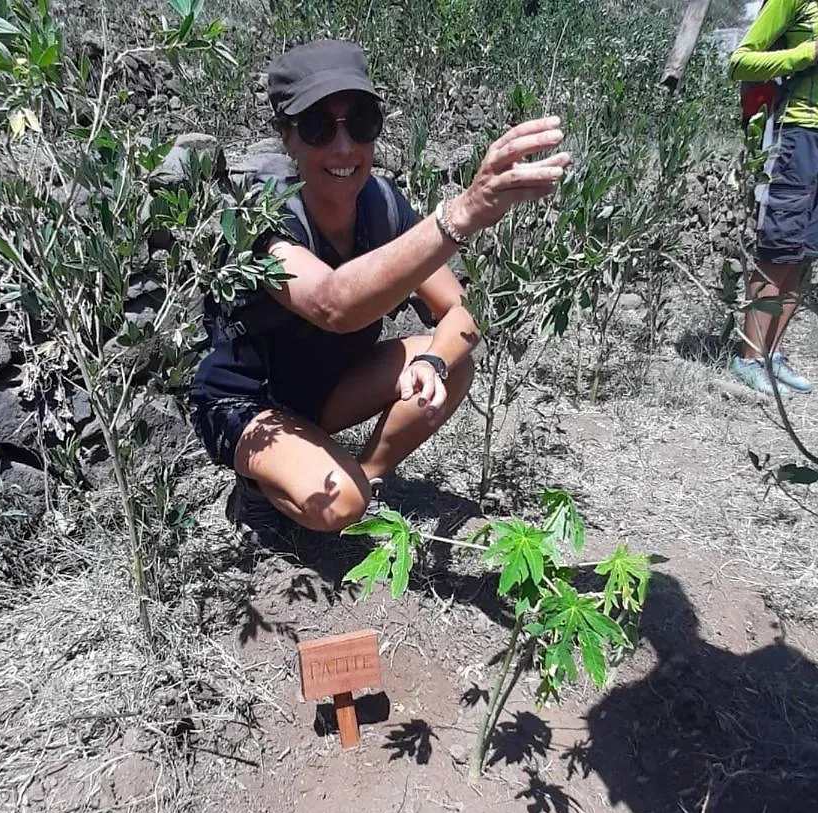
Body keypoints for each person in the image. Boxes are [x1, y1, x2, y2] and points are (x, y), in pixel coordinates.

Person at [190, 39, 569, 535]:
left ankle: (360, 480)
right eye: (318, 127)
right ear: (287, 137)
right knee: (337, 502)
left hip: (322, 387)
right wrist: (463, 213)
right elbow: (333, 303)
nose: (344, 148)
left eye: (361, 122)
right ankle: (261, 491)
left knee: (453, 365)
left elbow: (463, 311)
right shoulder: (261, 218)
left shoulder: (383, 206)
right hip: (247, 402)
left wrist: (434, 361)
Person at [729, 0, 818, 396]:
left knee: (805, 253)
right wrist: (810, 52)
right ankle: (749, 358)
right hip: (796, 131)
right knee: (779, 248)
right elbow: (739, 62)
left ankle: (773, 355)